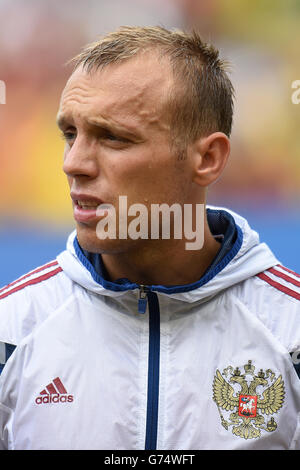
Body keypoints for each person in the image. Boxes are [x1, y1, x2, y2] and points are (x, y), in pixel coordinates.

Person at [0, 26, 299, 451]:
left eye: (113, 137)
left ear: (208, 159)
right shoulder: (11, 330)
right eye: (70, 134)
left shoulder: (290, 333)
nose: (74, 163)